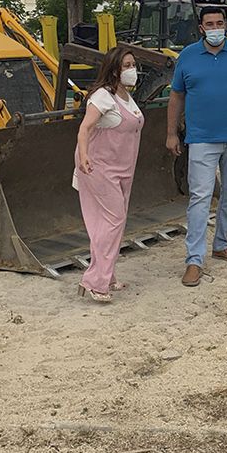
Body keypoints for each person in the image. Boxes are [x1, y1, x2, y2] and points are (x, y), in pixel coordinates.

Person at [166, 6, 227, 287]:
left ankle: (221, 243)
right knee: (200, 198)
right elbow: (176, 97)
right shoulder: (187, 57)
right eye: (209, 23)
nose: (215, 27)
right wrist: (171, 133)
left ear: (226, 25)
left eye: (219, 23)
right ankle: (194, 260)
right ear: (201, 28)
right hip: (201, 140)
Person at [74, 46, 145, 302]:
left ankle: (106, 273)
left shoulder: (126, 97)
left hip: (124, 168)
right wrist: (83, 156)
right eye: (126, 65)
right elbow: (85, 128)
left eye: (133, 64)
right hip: (98, 166)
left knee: (112, 222)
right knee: (113, 220)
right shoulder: (103, 96)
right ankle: (94, 281)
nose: (131, 70)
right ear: (114, 69)